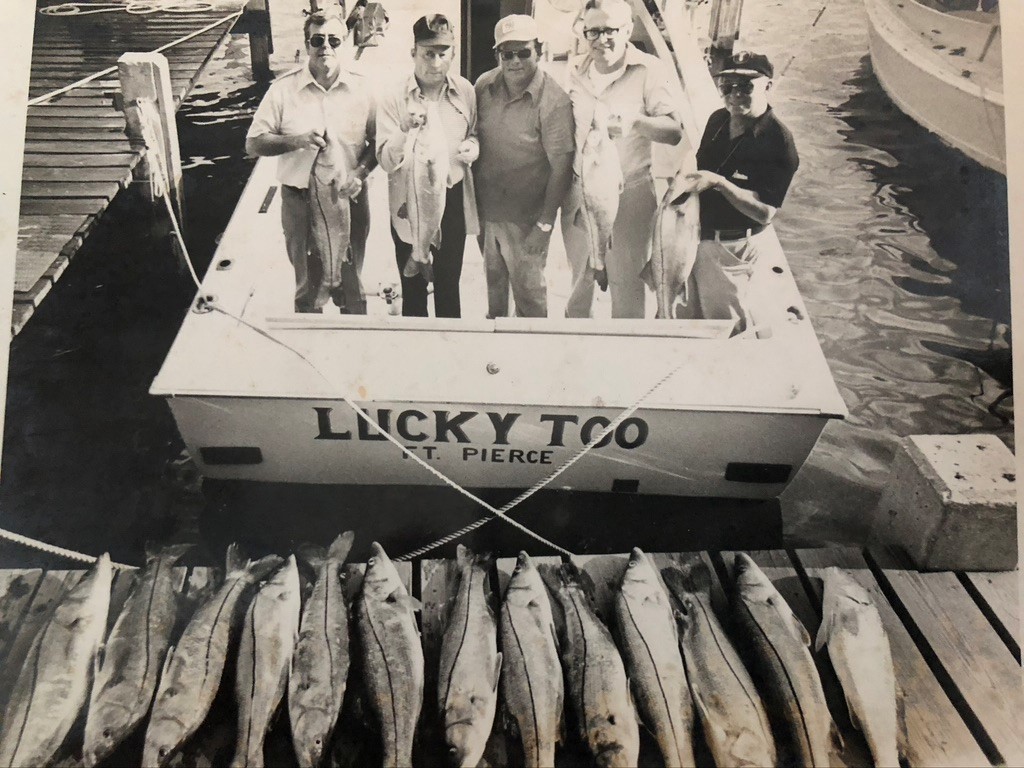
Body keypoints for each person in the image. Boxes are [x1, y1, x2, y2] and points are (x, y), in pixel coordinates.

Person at [245, 10, 376, 314]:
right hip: (300, 202)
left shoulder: (363, 87)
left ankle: (353, 344)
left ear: (344, 42)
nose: (325, 46)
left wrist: (360, 171)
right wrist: (297, 140)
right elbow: (253, 143)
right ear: (306, 44)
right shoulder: (282, 90)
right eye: (317, 40)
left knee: (353, 282)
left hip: (350, 197)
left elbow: (377, 142)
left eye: (333, 39)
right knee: (307, 286)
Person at [561, 0, 684, 319]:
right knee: (579, 283)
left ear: (628, 29)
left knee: (627, 287)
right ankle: (576, 352)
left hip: (630, 192)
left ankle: (628, 357)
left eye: (610, 30)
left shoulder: (650, 69)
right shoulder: (574, 69)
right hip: (581, 193)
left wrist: (636, 121)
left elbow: (674, 131)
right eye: (593, 31)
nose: (601, 39)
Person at [685, 51, 799, 335]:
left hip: (730, 249)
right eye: (727, 87)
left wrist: (720, 183)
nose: (735, 95)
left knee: (726, 331)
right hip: (695, 239)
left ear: (768, 87)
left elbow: (764, 213)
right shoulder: (718, 119)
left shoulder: (779, 142)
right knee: (690, 326)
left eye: (746, 86)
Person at [376, 13, 479, 318]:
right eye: (427, 54)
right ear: (413, 53)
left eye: (442, 54)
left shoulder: (465, 91)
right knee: (412, 292)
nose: (435, 62)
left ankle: (450, 350)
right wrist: (403, 130)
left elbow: (474, 132)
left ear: (452, 54)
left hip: (452, 197)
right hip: (409, 202)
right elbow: (384, 159)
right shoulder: (393, 97)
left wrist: (472, 146)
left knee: (449, 285)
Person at [474, 15, 574, 318]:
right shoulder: (483, 85)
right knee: (494, 296)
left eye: (523, 52)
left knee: (530, 302)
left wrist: (544, 225)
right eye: (507, 54)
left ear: (539, 51)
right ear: (497, 55)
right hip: (487, 216)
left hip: (527, 221)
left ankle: (533, 360)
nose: (515, 61)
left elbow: (562, 166)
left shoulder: (554, 100)